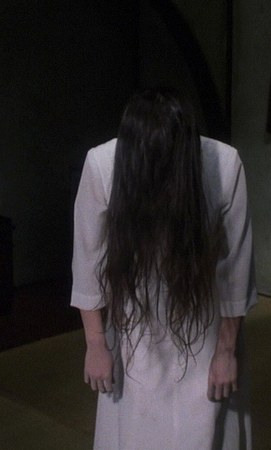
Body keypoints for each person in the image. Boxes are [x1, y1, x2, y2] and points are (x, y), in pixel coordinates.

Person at [71, 87, 257, 449]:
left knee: (205, 423)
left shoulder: (223, 163)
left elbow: (236, 267)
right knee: (134, 426)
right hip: (133, 316)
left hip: (204, 314)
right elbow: (88, 260)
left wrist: (226, 351)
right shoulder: (103, 164)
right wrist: (95, 344)